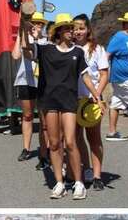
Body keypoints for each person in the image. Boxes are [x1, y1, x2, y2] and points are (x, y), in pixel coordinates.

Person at [20, 13, 104, 200]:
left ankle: (79, 182)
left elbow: (86, 77)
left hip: (69, 101)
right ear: (58, 31)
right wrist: (24, 29)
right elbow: (25, 47)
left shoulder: (78, 52)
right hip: (49, 101)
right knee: (55, 143)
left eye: (71, 28)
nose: (71, 31)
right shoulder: (45, 49)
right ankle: (59, 182)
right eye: (67, 28)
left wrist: (97, 96)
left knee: (71, 141)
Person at [72, 14, 110, 188]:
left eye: (81, 28)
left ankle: (97, 176)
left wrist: (97, 95)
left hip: (92, 100)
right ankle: (85, 168)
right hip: (73, 100)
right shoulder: (69, 49)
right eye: (75, 28)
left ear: (88, 29)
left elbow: (104, 74)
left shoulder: (97, 49)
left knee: (94, 138)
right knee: (76, 137)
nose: (78, 31)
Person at [11, 11, 49, 163]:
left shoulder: (45, 41)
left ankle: (44, 150)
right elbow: (15, 56)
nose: (37, 26)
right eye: (34, 23)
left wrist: (37, 37)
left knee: (43, 118)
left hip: (41, 81)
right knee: (27, 116)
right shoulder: (23, 37)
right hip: (25, 80)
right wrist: (22, 32)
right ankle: (26, 148)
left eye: (40, 24)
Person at [106, 12, 128, 141]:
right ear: (124, 23)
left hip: (125, 77)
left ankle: (111, 132)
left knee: (116, 103)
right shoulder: (119, 37)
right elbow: (107, 55)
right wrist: (104, 73)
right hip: (124, 77)